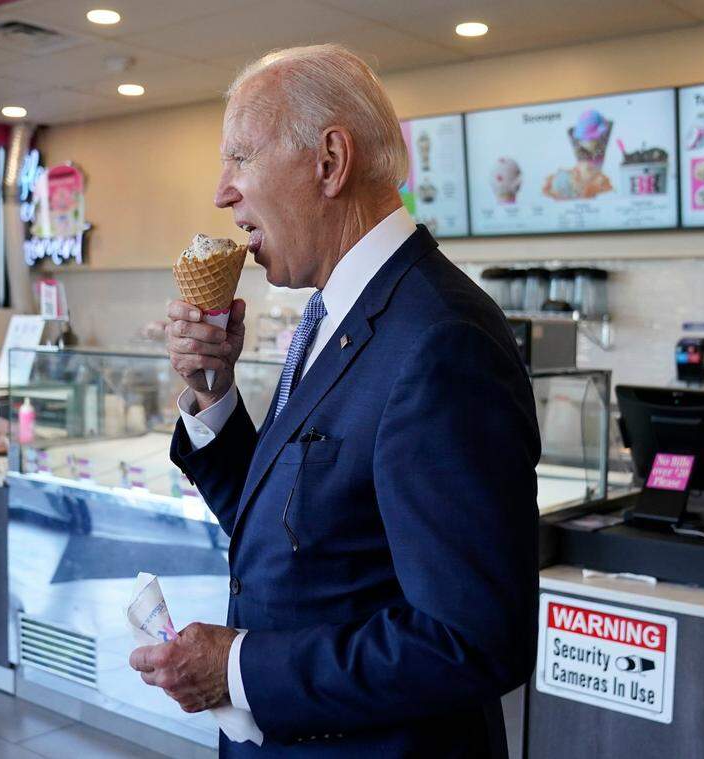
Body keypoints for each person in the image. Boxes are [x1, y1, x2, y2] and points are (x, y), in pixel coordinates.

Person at [130, 45, 541, 756]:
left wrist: (235, 668)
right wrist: (215, 395)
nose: (222, 193)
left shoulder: (441, 338)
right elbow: (308, 534)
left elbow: (473, 640)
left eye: (241, 158)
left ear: (329, 162)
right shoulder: (334, 315)